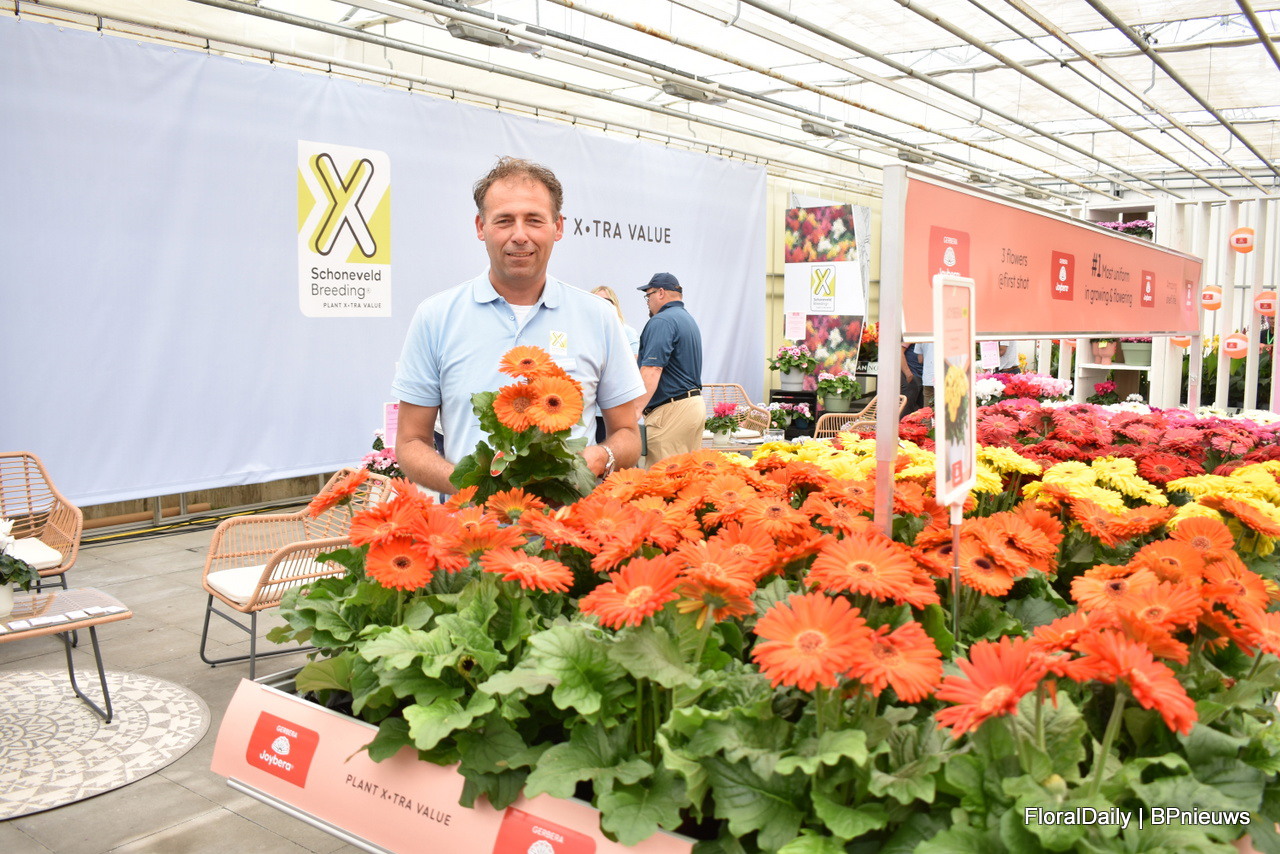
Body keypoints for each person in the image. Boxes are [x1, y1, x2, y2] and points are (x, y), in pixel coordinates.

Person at [392, 157, 645, 494]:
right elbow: (410, 441)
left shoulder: (598, 316)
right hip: (472, 524)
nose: (520, 235)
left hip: (569, 525)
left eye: (534, 220)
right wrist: (472, 487)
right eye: (504, 221)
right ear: (481, 227)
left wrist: (602, 456)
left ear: (558, 226)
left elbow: (628, 433)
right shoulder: (435, 317)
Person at [634, 273, 704, 463]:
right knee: (687, 475)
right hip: (692, 406)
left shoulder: (662, 321)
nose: (647, 302)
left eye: (648, 295)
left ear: (661, 292)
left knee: (663, 476)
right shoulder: (687, 320)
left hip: (670, 412)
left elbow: (652, 369)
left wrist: (634, 412)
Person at [591, 286, 640, 444]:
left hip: (614, 410)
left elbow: (631, 367)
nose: (602, 304)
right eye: (596, 300)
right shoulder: (583, 333)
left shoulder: (626, 332)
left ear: (615, 305)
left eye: (607, 301)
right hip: (586, 410)